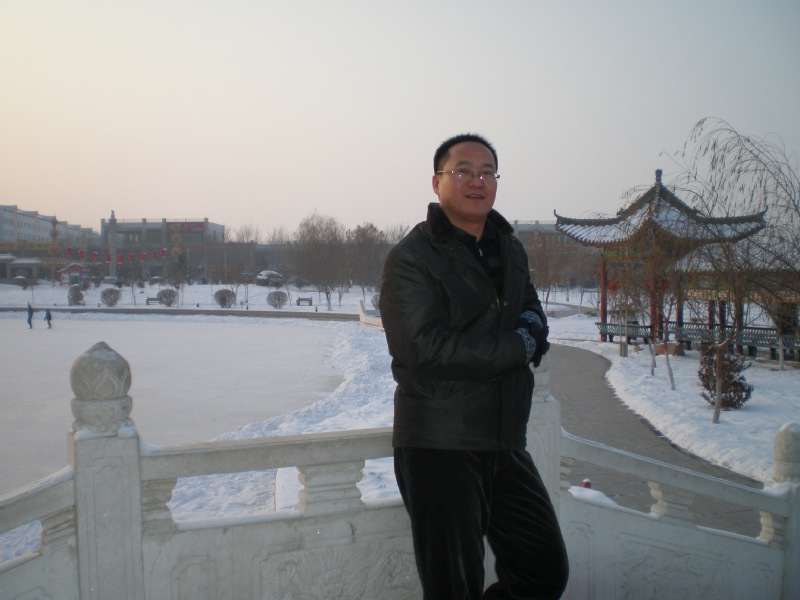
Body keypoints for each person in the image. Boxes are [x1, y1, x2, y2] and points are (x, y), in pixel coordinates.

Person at [380, 133, 569, 599]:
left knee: (544, 571)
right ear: (437, 182)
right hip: (441, 443)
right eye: (462, 171)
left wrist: (531, 328)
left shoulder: (510, 248)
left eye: (486, 172)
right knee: (454, 586)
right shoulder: (413, 257)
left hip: (504, 439)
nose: (476, 181)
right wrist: (518, 345)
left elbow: (530, 309)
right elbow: (424, 348)